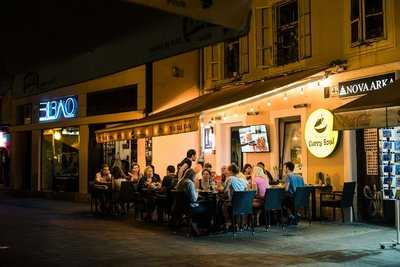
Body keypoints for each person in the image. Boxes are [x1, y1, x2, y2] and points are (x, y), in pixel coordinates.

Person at [176, 168, 211, 235]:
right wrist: (197, 192)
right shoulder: (190, 183)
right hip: (190, 207)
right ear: (192, 175)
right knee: (207, 208)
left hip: (181, 206)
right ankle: (201, 227)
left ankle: (195, 225)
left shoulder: (180, 182)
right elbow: (194, 199)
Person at [222, 163, 248, 230]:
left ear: (230, 171)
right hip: (243, 202)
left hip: (234, 202)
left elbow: (224, 191)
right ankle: (237, 223)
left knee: (222, 204)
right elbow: (246, 190)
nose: (226, 171)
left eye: (227, 170)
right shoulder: (243, 180)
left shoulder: (230, 178)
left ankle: (228, 222)